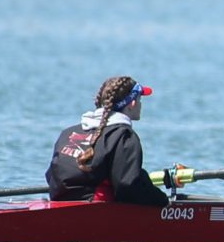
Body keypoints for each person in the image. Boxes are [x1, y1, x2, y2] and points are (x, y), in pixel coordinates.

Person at [46, 75, 173, 205]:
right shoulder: (124, 136)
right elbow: (128, 186)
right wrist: (163, 201)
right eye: (140, 99)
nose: (140, 104)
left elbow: (50, 176)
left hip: (58, 205)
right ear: (132, 103)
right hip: (95, 211)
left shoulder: (68, 132)